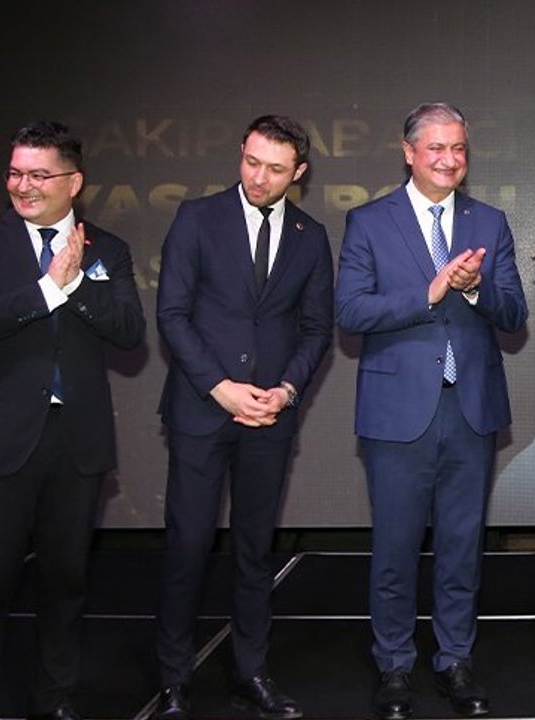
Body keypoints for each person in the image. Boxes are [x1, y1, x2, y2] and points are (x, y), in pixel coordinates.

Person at [0, 120, 144, 720]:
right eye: (15, 173)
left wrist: (77, 282)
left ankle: (53, 698)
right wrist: (47, 288)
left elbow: (129, 332)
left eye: (38, 174)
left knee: (65, 582)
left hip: (75, 445)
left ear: (73, 182)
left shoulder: (106, 249)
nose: (23, 185)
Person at [335, 102, 528, 720]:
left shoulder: (489, 221)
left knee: (461, 547)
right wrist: (431, 291)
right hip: (398, 413)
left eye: (459, 149)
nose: (449, 159)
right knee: (395, 548)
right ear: (409, 152)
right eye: (436, 148)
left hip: (470, 410)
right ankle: (394, 665)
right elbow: (350, 312)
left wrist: (474, 290)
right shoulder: (369, 221)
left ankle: (454, 660)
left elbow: (514, 314)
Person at [154, 114, 334, 719]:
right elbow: (172, 313)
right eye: (252, 162)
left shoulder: (311, 236)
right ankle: (174, 680)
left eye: (276, 169)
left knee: (256, 550)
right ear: (241, 154)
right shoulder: (196, 218)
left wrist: (286, 390)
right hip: (201, 410)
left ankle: (250, 671)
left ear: (298, 172)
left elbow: (317, 328)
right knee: (188, 545)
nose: (259, 177)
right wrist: (220, 387)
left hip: (270, 417)